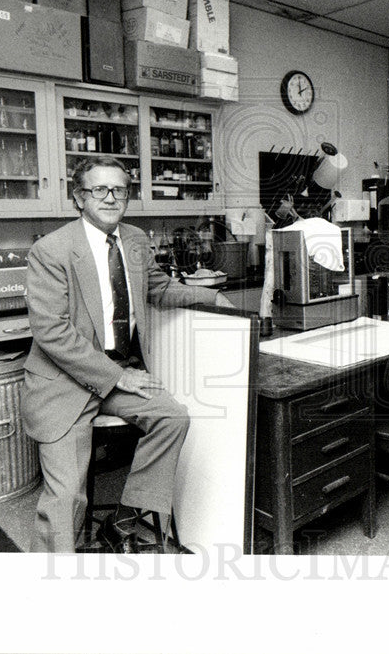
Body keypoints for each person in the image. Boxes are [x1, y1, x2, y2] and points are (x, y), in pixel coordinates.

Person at [23, 156, 235, 553]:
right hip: (65, 381)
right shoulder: (51, 250)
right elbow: (51, 331)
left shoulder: (135, 239)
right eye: (98, 189)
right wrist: (117, 376)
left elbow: (158, 287)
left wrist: (212, 295)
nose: (110, 197)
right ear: (78, 198)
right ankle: (50, 583)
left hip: (118, 370)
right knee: (67, 493)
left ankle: (121, 523)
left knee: (172, 418)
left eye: (119, 189)